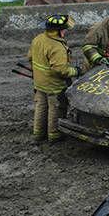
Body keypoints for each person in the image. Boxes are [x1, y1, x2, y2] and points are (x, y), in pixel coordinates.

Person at [29, 13, 78, 143]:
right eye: (64, 29)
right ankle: (54, 135)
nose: (65, 31)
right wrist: (76, 71)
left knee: (41, 107)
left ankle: (38, 134)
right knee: (55, 109)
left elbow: (30, 57)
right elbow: (60, 70)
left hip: (39, 83)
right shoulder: (57, 47)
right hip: (54, 86)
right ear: (59, 31)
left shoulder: (38, 39)